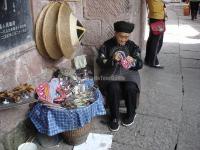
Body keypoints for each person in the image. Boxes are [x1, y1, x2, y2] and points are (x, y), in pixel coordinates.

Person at [96, 21, 143, 132]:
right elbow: (100, 61)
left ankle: (131, 114)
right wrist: (112, 60)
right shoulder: (106, 45)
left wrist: (134, 61)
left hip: (129, 75)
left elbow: (140, 63)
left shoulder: (132, 46)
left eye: (126, 37)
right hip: (112, 75)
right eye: (121, 36)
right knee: (113, 87)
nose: (123, 39)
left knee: (130, 87)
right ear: (115, 33)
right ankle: (114, 117)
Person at [144, 0, 167, 69]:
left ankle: (148, 59)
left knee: (152, 39)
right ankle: (153, 61)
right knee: (157, 41)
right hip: (158, 16)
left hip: (154, 16)